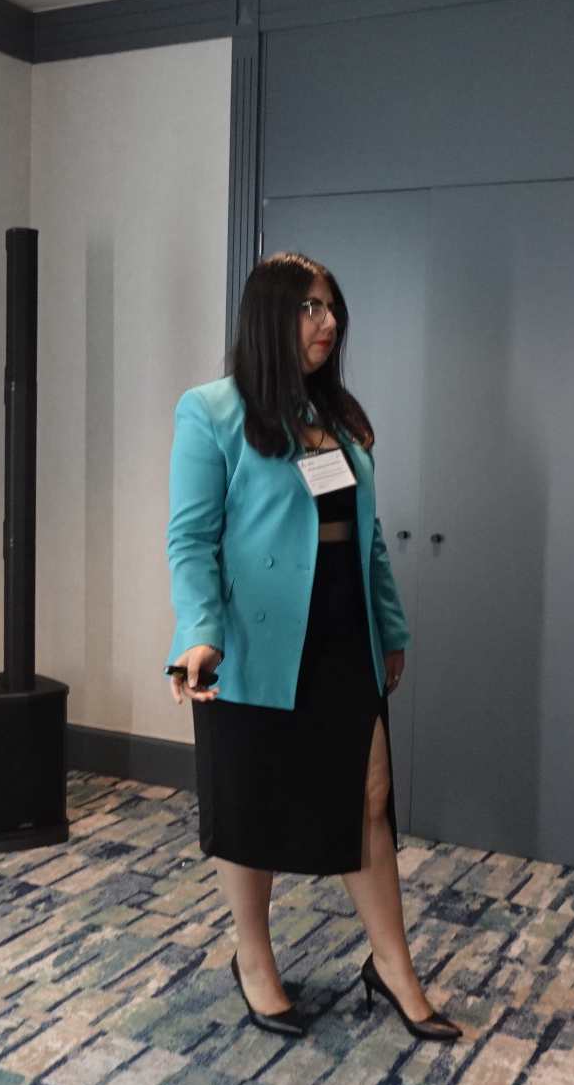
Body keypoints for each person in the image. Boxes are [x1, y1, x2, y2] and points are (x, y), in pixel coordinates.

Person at [163, 251, 461, 1043]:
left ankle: (392, 966)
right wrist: (199, 634)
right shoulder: (212, 412)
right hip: (251, 642)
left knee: (368, 798)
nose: (328, 322)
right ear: (269, 316)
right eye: (309, 308)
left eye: (331, 307)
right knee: (251, 804)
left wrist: (390, 627)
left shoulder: (339, 420)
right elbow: (190, 542)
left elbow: (367, 540)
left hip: (341, 631)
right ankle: (253, 959)